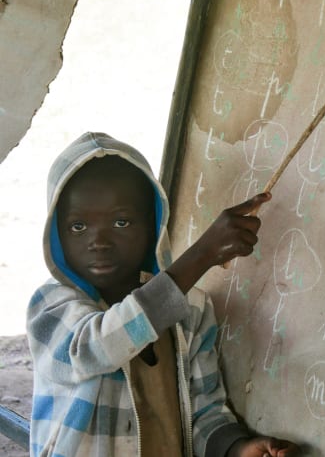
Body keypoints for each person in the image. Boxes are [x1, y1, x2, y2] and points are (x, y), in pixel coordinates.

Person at [26, 132, 302, 457]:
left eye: (121, 221)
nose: (98, 241)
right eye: (77, 227)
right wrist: (200, 256)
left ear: (154, 225)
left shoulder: (193, 309)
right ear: (55, 233)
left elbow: (204, 413)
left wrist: (237, 448)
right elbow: (96, 347)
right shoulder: (51, 307)